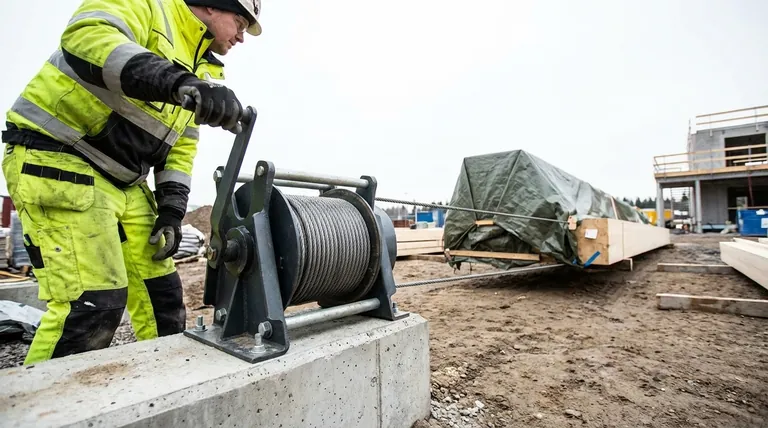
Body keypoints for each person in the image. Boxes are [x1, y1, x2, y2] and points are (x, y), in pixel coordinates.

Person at [1, 0, 261, 365]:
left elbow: (181, 143)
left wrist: (171, 209)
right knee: (91, 307)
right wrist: (177, 82)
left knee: (164, 298)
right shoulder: (148, 7)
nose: (241, 37)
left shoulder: (202, 69)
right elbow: (88, 37)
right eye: (239, 22)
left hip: (125, 182)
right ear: (212, 5)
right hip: (59, 159)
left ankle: (161, 386)